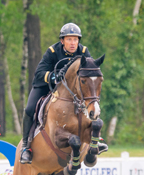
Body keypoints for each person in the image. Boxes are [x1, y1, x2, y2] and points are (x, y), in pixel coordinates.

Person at [20, 22, 107, 164]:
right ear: (62, 41)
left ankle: (95, 139)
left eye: (75, 39)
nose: (73, 43)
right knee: (29, 109)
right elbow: (39, 73)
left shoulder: (83, 51)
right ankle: (26, 147)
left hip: (71, 90)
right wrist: (54, 77)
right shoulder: (52, 51)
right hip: (47, 86)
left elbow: (89, 71)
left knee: (90, 102)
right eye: (69, 39)